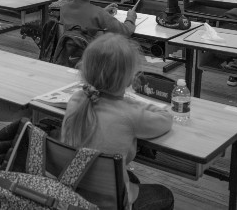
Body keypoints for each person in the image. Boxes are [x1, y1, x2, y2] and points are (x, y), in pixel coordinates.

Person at [61, 33, 174, 210]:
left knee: (131, 177)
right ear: (129, 79)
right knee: (163, 195)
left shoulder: (76, 100)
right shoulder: (130, 113)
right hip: (109, 204)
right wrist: (132, 101)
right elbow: (166, 119)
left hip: (73, 193)